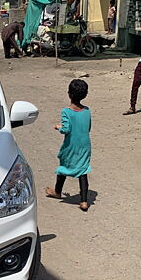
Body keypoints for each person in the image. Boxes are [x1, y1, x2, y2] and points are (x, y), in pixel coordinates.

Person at [45, 79, 92, 212]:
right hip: (84, 145)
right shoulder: (87, 110)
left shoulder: (66, 111)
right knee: (83, 170)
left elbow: (66, 129)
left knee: (64, 165)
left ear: (69, 94)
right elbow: (88, 127)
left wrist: (58, 127)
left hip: (70, 146)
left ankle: (57, 191)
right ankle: (84, 201)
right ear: (85, 94)